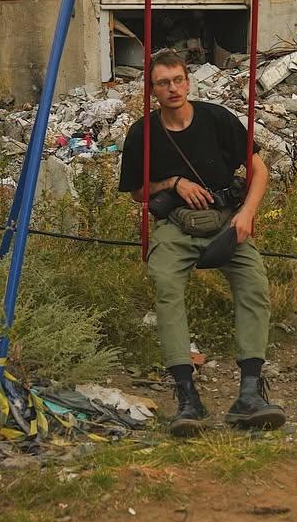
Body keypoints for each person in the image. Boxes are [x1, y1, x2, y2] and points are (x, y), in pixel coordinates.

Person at [118, 51, 285, 437]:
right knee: (166, 285)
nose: (172, 88)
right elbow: (138, 193)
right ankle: (187, 395)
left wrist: (247, 214)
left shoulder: (216, 119)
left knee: (254, 284)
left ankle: (250, 393)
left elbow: (259, 170)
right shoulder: (142, 133)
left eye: (178, 80)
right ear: (152, 89)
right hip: (176, 225)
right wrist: (173, 183)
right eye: (163, 83)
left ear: (188, 82)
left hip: (226, 219)